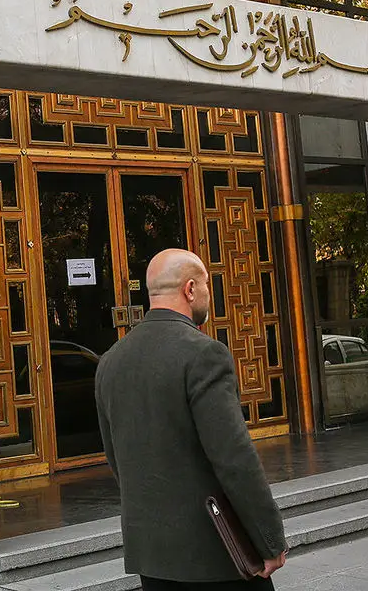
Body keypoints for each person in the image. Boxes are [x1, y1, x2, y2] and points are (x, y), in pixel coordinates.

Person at [95, 248, 288, 590]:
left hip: (152, 553)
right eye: (207, 285)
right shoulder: (204, 354)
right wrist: (269, 540)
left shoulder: (110, 360)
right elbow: (233, 458)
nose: (208, 294)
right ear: (190, 289)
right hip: (214, 554)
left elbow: (116, 457)